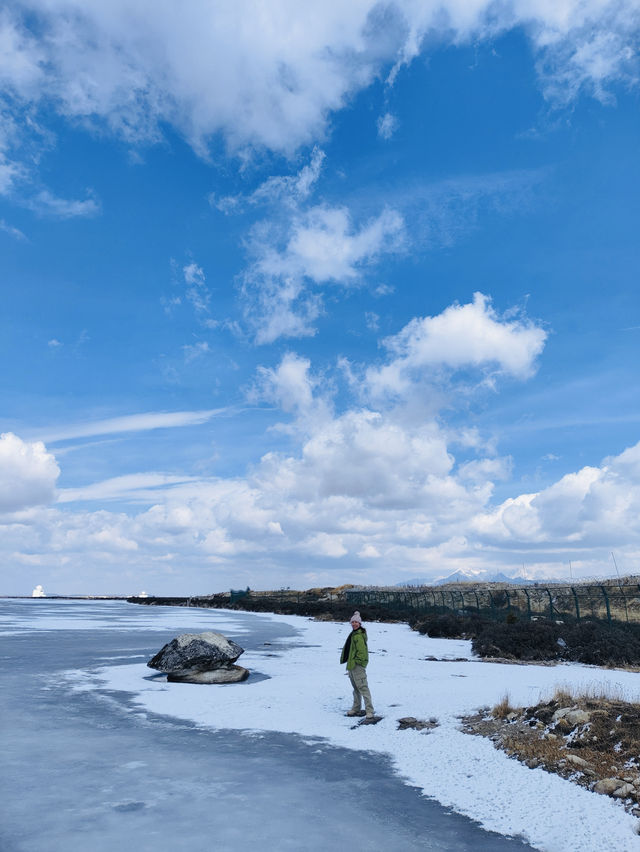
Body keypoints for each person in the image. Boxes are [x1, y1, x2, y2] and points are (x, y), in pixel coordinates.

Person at [340, 611, 375, 718]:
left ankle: (369, 710)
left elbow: (362, 652)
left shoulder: (359, 636)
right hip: (351, 665)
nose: (354, 624)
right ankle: (356, 708)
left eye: (356, 622)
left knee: (363, 688)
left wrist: (357, 662)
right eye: (353, 622)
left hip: (357, 666)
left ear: (360, 624)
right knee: (355, 688)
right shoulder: (353, 634)